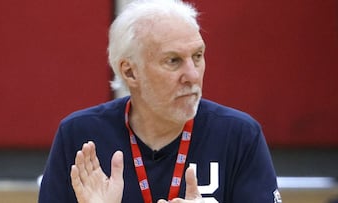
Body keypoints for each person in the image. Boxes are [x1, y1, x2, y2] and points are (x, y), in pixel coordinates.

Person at [38, 0, 282, 203]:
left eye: (197, 56)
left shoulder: (239, 135)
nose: (193, 75)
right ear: (130, 72)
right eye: (173, 61)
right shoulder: (79, 135)